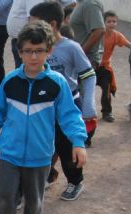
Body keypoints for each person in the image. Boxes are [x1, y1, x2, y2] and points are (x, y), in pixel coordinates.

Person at [0, 21, 87, 214]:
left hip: (40, 156)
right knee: (4, 197)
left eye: (39, 50)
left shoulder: (57, 83)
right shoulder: (10, 81)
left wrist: (78, 143)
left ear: (49, 51)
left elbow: (70, 116)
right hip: (9, 153)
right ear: (20, 52)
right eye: (28, 50)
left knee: (34, 199)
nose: (33, 56)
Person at [30, 0, 96, 201]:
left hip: (67, 106)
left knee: (66, 147)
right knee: (40, 143)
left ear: (52, 24)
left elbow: (88, 75)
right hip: (42, 106)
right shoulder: (35, 47)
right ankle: (46, 176)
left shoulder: (71, 47)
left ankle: (75, 181)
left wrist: (88, 104)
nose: (30, 28)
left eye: (35, 23)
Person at [96, 11, 130, 122]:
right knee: (86, 90)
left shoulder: (116, 35)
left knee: (107, 90)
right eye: (109, 21)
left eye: (114, 21)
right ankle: (82, 112)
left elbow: (128, 44)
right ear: (103, 22)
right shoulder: (97, 33)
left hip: (105, 67)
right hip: (92, 66)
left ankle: (107, 112)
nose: (111, 24)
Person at [69, 0, 105, 68]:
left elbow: (99, 30)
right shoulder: (81, 3)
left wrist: (80, 54)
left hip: (86, 60)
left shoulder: (90, 4)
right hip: (80, 59)